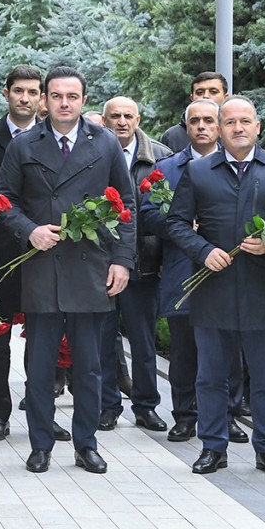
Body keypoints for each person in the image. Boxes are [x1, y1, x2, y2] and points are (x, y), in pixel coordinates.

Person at [166, 96, 265, 478]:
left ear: (257, 126)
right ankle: (213, 448)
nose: (238, 128)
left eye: (245, 121)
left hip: (263, 291)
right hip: (213, 290)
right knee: (211, 377)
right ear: (219, 128)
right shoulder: (200, 172)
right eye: (229, 122)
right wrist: (203, 251)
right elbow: (176, 223)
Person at [0, 66, 136, 475]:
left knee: (90, 366)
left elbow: (127, 207)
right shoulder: (24, 145)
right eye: (56, 96)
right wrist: (30, 231)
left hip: (91, 269)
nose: (64, 103)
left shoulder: (105, 143)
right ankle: (40, 444)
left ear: (83, 101)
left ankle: (85, 444)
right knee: (39, 365)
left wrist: (123, 261)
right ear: (44, 100)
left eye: (72, 97)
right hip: (42, 267)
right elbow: (4, 200)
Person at [141, 99, 249, 446]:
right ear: (186, 128)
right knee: (184, 350)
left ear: (219, 126)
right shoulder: (167, 168)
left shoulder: (237, 166)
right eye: (195, 121)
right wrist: (184, 225)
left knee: (228, 351)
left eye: (208, 120)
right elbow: (147, 214)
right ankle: (185, 416)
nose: (202, 126)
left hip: (226, 271)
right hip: (181, 271)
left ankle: (229, 416)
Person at [0, 65, 55, 442]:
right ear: (6, 94)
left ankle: (42, 416)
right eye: (19, 91)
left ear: (42, 98)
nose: (25, 98)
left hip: (46, 253)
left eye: (33, 92)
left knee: (44, 341)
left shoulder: (54, 138)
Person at [97, 97, 171, 434]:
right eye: (116, 116)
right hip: (100, 266)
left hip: (144, 267)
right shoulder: (92, 152)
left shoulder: (160, 157)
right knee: (103, 341)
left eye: (128, 116)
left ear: (138, 118)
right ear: (105, 118)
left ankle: (146, 407)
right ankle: (107, 406)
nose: (122, 122)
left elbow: (170, 215)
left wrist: (163, 261)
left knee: (143, 343)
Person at [161, 72, 229, 152]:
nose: (206, 96)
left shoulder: (233, 132)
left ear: (225, 97)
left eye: (213, 92)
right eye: (200, 92)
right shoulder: (172, 136)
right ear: (192, 98)